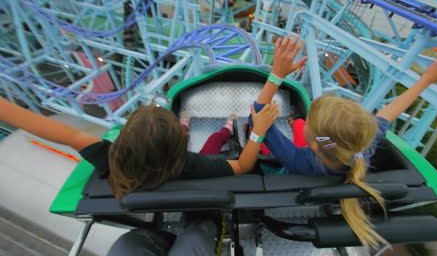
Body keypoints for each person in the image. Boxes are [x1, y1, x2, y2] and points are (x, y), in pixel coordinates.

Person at [250, 35, 437, 248]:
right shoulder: (361, 151)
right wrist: (427, 79)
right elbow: (388, 113)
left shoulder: (299, 160)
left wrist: (277, 73)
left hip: (286, 187)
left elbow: (255, 115)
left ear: (313, 144)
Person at [0, 96, 279, 199]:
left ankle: (187, 125)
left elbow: (55, 130)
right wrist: (258, 132)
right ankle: (221, 128)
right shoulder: (191, 164)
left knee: (210, 141)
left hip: (165, 172)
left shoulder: (111, 158)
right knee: (214, 142)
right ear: (179, 148)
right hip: (194, 175)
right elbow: (242, 166)